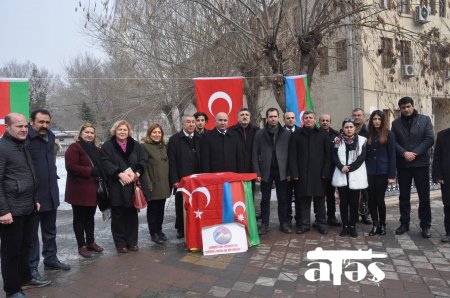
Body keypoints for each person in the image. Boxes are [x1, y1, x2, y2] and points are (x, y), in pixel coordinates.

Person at [0, 113, 50, 298]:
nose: (23, 130)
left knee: (25, 247)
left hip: (28, 207)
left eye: (25, 126)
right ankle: (12, 290)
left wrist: (35, 198)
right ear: (7, 127)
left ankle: (25, 278)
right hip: (11, 211)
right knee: (11, 251)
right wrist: (3, 211)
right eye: (18, 126)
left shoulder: (22, 146)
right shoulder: (3, 148)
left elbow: (31, 176)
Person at [27, 109, 70, 281]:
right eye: (41, 122)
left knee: (50, 230)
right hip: (33, 195)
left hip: (51, 191)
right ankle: (31, 267)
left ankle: (51, 259)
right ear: (32, 122)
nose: (44, 125)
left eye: (47, 122)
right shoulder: (26, 139)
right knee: (31, 235)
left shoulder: (51, 137)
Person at [101, 120, 149, 253]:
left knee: (132, 214)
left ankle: (132, 242)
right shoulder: (108, 146)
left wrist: (138, 172)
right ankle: (120, 243)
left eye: (125, 130)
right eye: (120, 129)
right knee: (118, 215)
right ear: (115, 131)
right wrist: (119, 173)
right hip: (117, 185)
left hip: (133, 184)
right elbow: (105, 162)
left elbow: (143, 160)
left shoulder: (135, 145)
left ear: (129, 131)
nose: (122, 132)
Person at [392, 97, 434, 238]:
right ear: (400, 109)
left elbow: (429, 138)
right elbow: (394, 142)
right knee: (404, 196)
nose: (406, 109)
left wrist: (414, 153)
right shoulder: (396, 123)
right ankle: (404, 223)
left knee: (424, 197)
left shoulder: (424, 119)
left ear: (413, 106)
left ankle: (425, 226)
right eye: (403, 107)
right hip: (403, 165)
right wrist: (404, 153)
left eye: (408, 106)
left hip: (421, 164)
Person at [64, 123, 104, 258]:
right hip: (79, 190)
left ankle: (91, 242)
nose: (89, 135)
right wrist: (91, 171)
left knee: (90, 218)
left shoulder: (96, 150)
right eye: (87, 132)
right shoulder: (75, 147)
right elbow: (71, 167)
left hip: (93, 190)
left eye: (92, 133)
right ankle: (81, 245)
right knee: (80, 219)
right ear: (81, 133)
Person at [289, 111, 330, 235]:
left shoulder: (323, 134)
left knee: (320, 201)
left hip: (319, 174)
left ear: (314, 119)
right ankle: (304, 224)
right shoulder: (296, 135)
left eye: (310, 118)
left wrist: (326, 172)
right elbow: (292, 156)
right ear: (303, 120)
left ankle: (321, 224)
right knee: (304, 201)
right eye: (306, 118)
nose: (308, 120)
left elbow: (328, 156)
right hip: (302, 174)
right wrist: (294, 173)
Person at [253, 108, 291, 235]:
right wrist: (257, 173)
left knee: (283, 198)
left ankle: (283, 223)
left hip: (282, 171)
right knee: (265, 199)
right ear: (267, 118)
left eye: (275, 116)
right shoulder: (259, 134)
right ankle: (264, 224)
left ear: (279, 117)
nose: (273, 119)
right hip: (265, 171)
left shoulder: (286, 133)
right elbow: (254, 154)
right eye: (270, 116)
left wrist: (290, 172)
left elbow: (291, 155)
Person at [332, 118, 368, 238]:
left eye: (351, 127)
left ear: (354, 128)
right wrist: (341, 167)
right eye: (346, 127)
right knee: (343, 203)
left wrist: (350, 168)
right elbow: (334, 156)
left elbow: (362, 158)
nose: (349, 129)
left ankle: (352, 226)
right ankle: (345, 226)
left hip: (355, 175)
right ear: (343, 129)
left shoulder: (362, 141)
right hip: (342, 174)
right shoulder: (337, 141)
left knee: (354, 203)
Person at [168, 115, 201, 239]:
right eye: (188, 122)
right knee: (181, 205)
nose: (191, 124)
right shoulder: (174, 140)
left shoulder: (200, 138)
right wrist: (175, 180)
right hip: (181, 179)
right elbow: (171, 162)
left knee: (197, 203)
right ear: (182, 124)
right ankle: (181, 228)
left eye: (193, 122)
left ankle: (196, 225)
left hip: (198, 179)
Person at [366, 110, 396, 236]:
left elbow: (392, 155)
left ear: (383, 121)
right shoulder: (368, 135)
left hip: (383, 172)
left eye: (379, 119)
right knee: (371, 199)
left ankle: (382, 224)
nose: (376, 121)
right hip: (369, 172)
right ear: (371, 121)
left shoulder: (389, 134)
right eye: (374, 119)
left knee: (380, 199)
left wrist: (391, 175)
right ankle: (375, 224)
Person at [141, 124, 171, 244]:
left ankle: (159, 230)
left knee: (161, 209)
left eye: (159, 132)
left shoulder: (163, 146)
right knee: (153, 209)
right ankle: (153, 232)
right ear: (149, 133)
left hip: (163, 183)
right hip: (153, 183)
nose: (157, 134)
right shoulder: (144, 147)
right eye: (154, 132)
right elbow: (144, 167)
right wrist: (148, 183)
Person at [319, 113, 341, 226]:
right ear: (319, 122)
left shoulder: (336, 135)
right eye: (323, 120)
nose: (325, 122)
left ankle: (331, 217)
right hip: (319, 171)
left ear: (330, 122)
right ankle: (320, 219)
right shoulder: (315, 134)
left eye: (327, 120)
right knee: (319, 196)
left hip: (332, 171)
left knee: (331, 195)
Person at [352, 108, 371, 225]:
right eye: (355, 115)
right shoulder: (348, 128)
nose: (357, 117)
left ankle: (365, 214)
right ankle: (353, 214)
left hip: (365, 164)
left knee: (365, 192)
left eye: (359, 115)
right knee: (353, 192)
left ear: (363, 116)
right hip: (352, 165)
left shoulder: (368, 130)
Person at [432, 126, 450, 242]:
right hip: (447, 177)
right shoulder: (442, 135)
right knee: (448, 206)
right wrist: (438, 175)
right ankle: (448, 232)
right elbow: (437, 156)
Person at [230, 108, 259, 174]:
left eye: (247, 115)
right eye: (242, 115)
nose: (245, 116)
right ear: (237, 118)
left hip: (252, 167)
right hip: (236, 168)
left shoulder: (257, 131)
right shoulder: (230, 131)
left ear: (250, 117)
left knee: (252, 184)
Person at [283, 112, 299, 227]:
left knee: (299, 197)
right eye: (288, 118)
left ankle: (299, 218)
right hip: (285, 172)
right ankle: (287, 219)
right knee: (286, 197)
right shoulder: (279, 132)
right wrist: (288, 172)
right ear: (284, 119)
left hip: (299, 172)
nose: (290, 120)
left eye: (292, 118)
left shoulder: (301, 131)